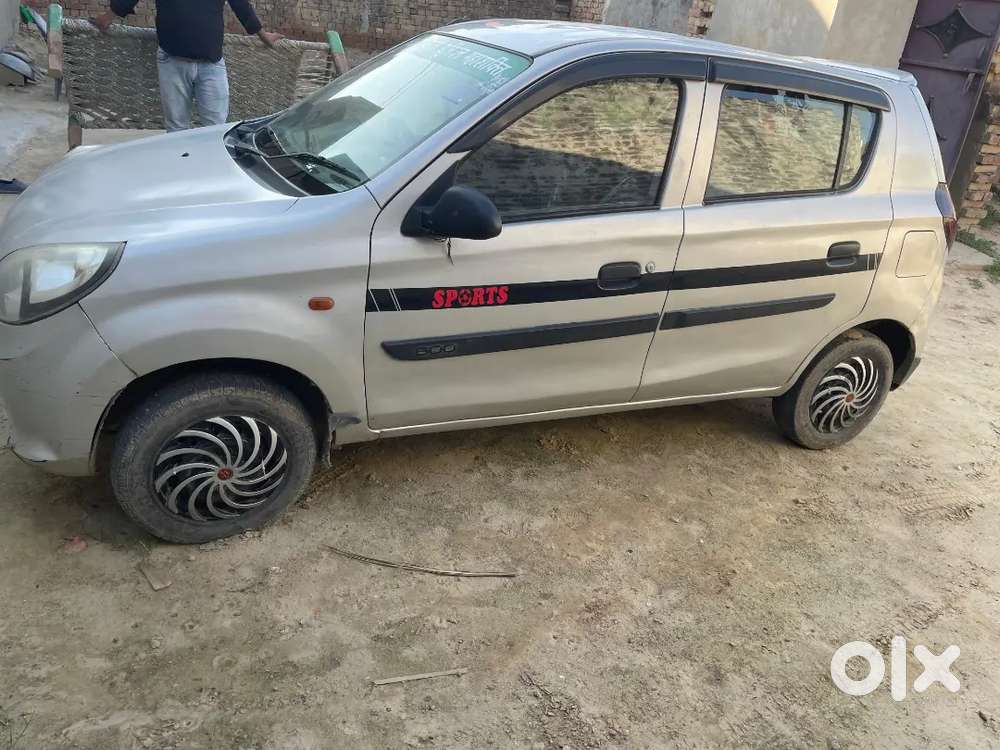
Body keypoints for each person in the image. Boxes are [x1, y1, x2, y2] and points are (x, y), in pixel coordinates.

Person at [95, 0, 283, 132]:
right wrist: (108, 16)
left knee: (216, 130)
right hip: (172, 60)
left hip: (211, 64)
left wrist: (262, 35)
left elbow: (240, 4)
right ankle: (182, 180)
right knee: (177, 129)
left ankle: (211, 181)